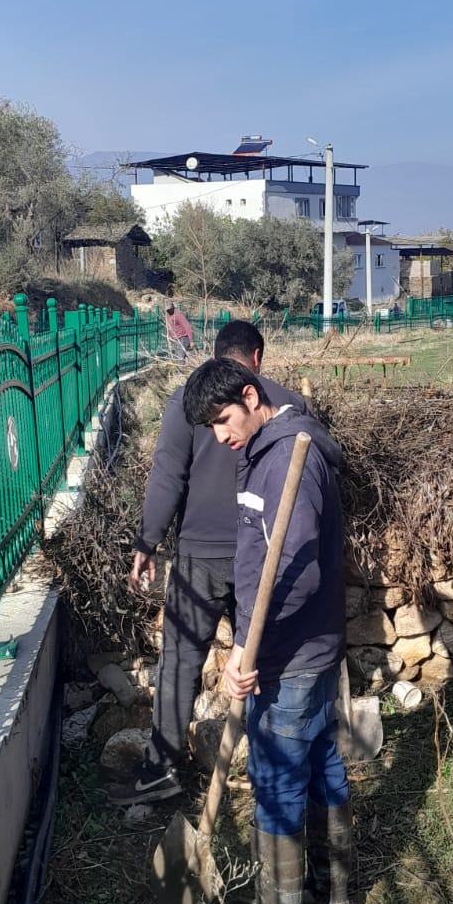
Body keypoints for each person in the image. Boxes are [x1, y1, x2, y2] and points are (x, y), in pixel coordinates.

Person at [183, 357, 350, 904]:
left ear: (252, 396)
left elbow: (295, 580)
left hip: (288, 651)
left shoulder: (290, 462)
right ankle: (336, 901)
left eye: (225, 420)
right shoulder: (265, 449)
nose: (222, 436)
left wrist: (252, 651)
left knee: (280, 777)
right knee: (319, 757)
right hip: (303, 645)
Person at [124, 322, 306, 802]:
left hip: (200, 556)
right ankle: (281, 767)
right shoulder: (287, 404)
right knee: (268, 662)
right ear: (257, 360)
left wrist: (147, 544)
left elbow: (167, 477)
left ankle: (160, 769)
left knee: (181, 660)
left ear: (215, 357)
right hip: (265, 557)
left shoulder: (184, 404)